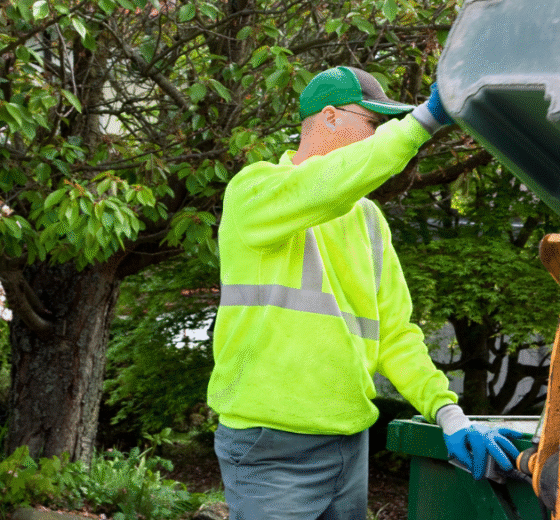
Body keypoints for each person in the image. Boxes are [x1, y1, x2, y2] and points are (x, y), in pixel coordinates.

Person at [208, 66, 522, 519]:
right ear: (330, 117)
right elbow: (324, 185)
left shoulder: (368, 220)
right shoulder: (254, 192)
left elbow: (395, 333)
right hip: (270, 446)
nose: (382, 136)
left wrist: (448, 413)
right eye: (374, 124)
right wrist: (424, 121)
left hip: (348, 444)